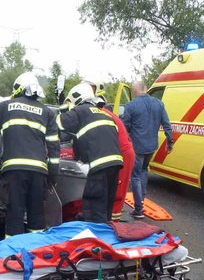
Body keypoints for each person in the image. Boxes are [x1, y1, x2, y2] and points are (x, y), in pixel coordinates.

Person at [0, 72, 60, 237]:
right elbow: (54, 147)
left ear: (18, 89)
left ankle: (13, 257)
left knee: (15, 214)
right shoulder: (48, 113)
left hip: (14, 170)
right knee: (36, 214)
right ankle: (36, 252)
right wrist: (53, 176)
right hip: (38, 171)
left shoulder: (6, 106)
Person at [57, 83, 123, 223]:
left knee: (94, 207)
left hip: (99, 166)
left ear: (76, 99)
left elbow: (56, 123)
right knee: (106, 207)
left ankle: (96, 241)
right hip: (115, 164)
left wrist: (62, 110)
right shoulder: (104, 114)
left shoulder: (80, 111)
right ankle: (106, 238)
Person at [80, 79, 135, 222]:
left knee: (115, 194)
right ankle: (109, 221)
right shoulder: (100, 111)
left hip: (121, 152)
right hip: (119, 150)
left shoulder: (95, 112)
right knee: (112, 192)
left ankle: (111, 225)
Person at [121, 81, 173, 219]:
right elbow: (167, 124)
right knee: (144, 171)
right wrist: (170, 142)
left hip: (137, 146)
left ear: (136, 90)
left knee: (136, 175)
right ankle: (142, 200)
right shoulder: (159, 104)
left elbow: (123, 126)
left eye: (133, 90)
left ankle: (139, 209)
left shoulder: (131, 106)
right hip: (151, 146)